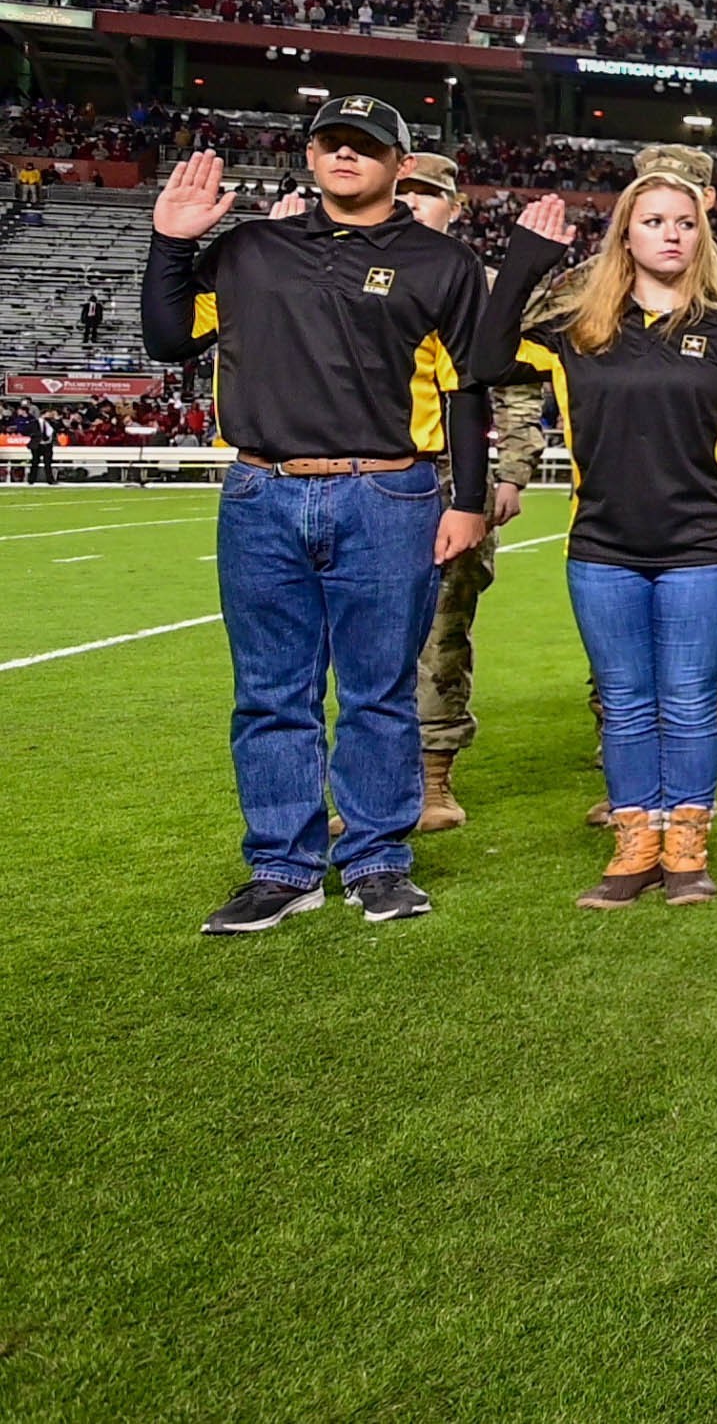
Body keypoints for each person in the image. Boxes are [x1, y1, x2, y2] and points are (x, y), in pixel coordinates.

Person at [141, 95, 490, 934]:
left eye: (366, 145)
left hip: (389, 490)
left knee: (378, 691)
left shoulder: (440, 262)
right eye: (332, 141)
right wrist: (170, 239)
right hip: (261, 487)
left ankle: (376, 860)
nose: (346, 155)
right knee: (270, 691)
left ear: (399, 164)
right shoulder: (252, 249)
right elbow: (167, 336)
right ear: (308, 153)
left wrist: (470, 499)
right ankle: (282, 866)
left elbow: (467, 388)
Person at [476, 182, 717, 907]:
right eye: (653, 222)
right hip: (603, 550)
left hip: (702, 549)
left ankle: (685, 845)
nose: (671, 234)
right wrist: (526, 260)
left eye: (685, 223)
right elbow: (486, 360)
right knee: (623, 702)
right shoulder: (582, 330)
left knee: (688, 701)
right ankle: (634, 840)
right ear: (626, 236)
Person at [392, 151, 542, 835]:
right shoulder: (337, 264)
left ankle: (432, 778)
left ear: (453, 207)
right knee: (362, 638)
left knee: (443, 631)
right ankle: (371, 782)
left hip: (456, 481)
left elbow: (514, 383)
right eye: (403, 189)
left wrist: (511, 471)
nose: (413, 201)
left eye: (427, 193)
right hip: (365, 474)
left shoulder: (479, 284)